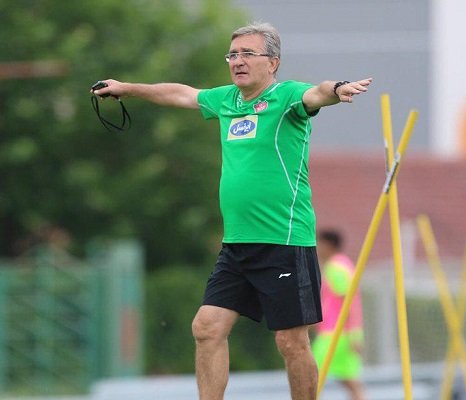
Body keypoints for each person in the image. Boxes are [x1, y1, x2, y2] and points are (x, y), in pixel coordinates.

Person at [93, 22, 372, 400]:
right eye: (233, 55)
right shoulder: (227, 100)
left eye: (247, 54)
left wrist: (337, 89)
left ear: (272, 62)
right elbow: (181, 93)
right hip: (238, 245)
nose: (237, 61)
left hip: (284, 241)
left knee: (291, 342)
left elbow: (317, 93)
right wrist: (127, 88)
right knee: (207, 327)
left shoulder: (286, 97)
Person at [313, 229, 366, 400]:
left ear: (329, 245)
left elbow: (347, 301)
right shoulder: (344, 264)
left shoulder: (335, 267)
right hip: (343, 332)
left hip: (335, 333)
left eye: (319, 244)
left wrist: (352, 334)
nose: (317, 248)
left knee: (310, 372)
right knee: (349, 380)